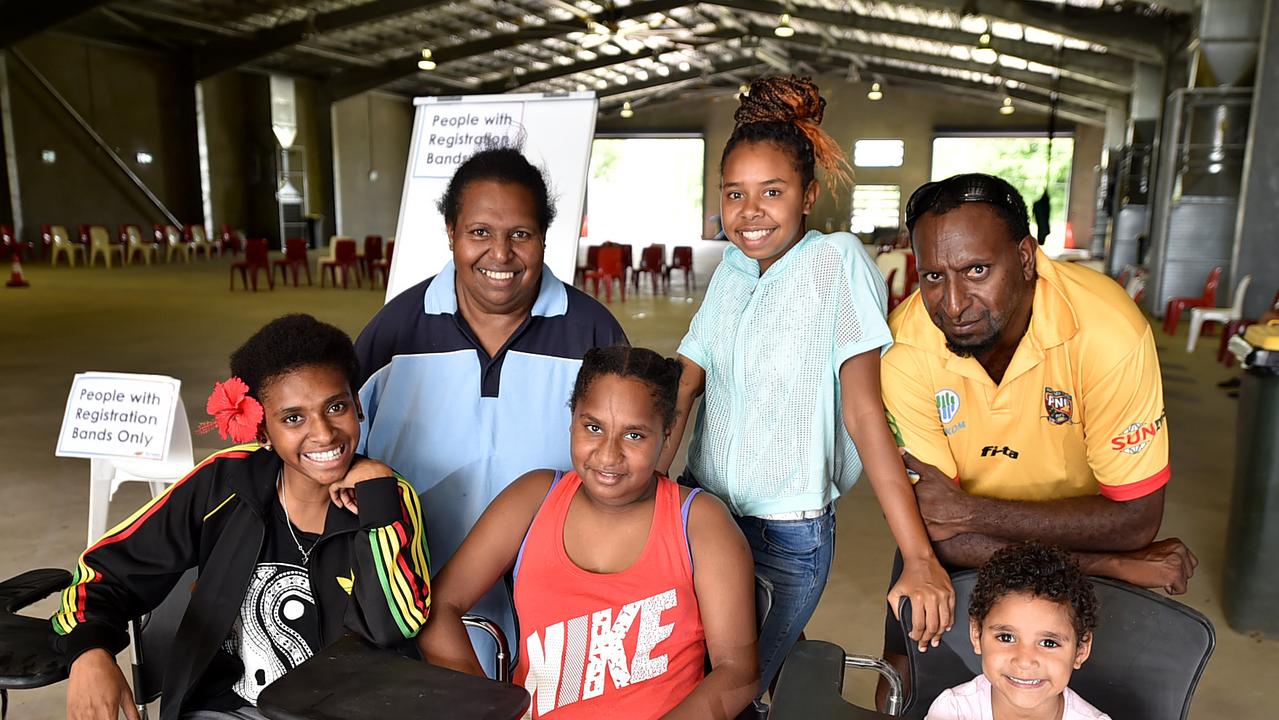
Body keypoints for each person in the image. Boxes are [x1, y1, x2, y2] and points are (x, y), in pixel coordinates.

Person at [658, 75, 954, 706]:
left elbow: (863, 411)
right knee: (686, 676)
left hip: (784, 533)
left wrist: (918, 556)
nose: (750, 210)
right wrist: (644, 497)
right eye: (734, 194)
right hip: (701, 515)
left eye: (772, 192)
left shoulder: (838, 262)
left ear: (808, 194)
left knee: (733, 692)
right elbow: (685, 384)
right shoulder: (731, 272)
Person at [879, 172, 1196, 702]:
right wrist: (1112, 563)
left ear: (1025, 258)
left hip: (1005, 535)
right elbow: (940, 534)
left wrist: (973, 512)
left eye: (977, 270)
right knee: (905, 679)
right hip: (1034, 546)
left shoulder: (1106, 331)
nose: (953, 304)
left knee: (1088, 689)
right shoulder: (905, 348)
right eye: (933, 277)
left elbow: (1136, 519)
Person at [53, 314, 430, 720]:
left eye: (335, 406)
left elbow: (396, 624)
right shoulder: (224, 483)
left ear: (357, 405)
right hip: (231, 710)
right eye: (293, 418)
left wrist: (377, 502)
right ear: (262, 431)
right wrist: (90, 652)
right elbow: (105, 571)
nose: (323, 433)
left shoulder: (387, 497)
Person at [354, 145, 627, 666]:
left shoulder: (593, 334)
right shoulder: (395, 332)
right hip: (414, 608)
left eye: (520, 234)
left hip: (553, 615)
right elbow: (332, 450)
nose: (500, 255)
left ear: (544, 238)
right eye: (479, 232)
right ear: (451, 233)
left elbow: (634, 459)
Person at [418, 346, 758, 719]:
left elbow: (737, 672)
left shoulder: (699, 522)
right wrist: (489, 709)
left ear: (668, 432)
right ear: (572, 420)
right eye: (593, 427)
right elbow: (439, 607)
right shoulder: (533, 500)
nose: (608, 455)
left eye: (634, 436)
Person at [926, 542, 1109, 720]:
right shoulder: (953, 711)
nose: (1024, 662)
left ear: (1081, 650)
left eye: (1049, 643)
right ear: (976, 634)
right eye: (1006, 637)